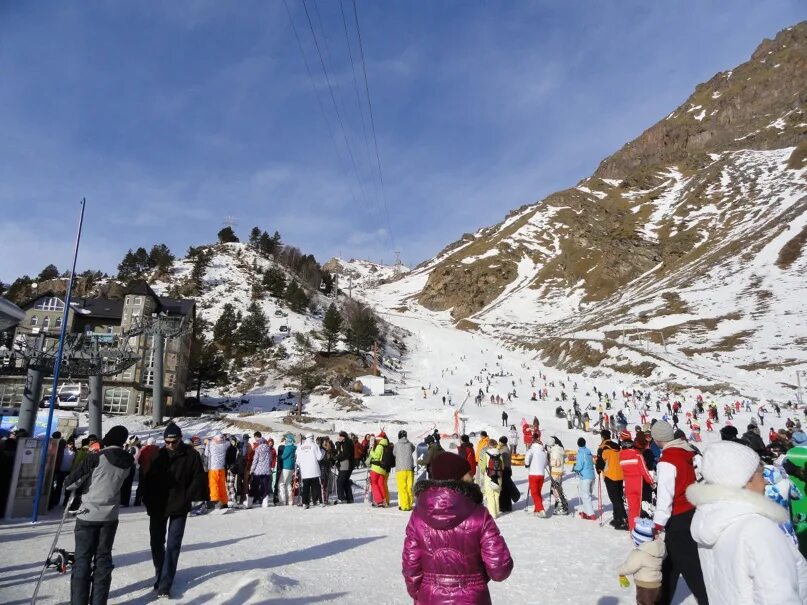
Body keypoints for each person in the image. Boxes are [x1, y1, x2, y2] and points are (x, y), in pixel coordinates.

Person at [688, 441, 807, 604]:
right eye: (761, 473)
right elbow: (778, 597)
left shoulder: (709, 521)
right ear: (744, 480)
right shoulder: (758, 529)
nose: (765, 481)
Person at [402, 452, 513, 603]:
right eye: (468, 473)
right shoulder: (480, 515)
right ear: (457, 477)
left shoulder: (418, 517)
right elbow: (500, 568)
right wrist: (478, 578)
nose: (473, 477)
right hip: (472, 598)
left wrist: (420, 594)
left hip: (430, 597)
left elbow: (411, 565)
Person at [65, 426, 134, 605]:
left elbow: (71, 483)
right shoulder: (128, 461)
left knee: (82, 560)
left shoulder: (96, 457)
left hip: (88, 513)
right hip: (110, 516)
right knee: (103, 560)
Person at [142, 422, 207, 599]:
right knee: (156, 542)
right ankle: (160, 573)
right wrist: (147, 500)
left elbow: (198, 477)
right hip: (158, 505)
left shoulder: (191, 455)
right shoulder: (157, 455)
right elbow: (147, 480)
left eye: (174, 441)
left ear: (180, 439)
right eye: (167, 441)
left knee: (173, 544)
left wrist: (189, 496)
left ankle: (165, 583)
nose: (170, 445)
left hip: (179, 504)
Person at [650, 421, 708, 605]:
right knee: (670, 566)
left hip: (677, 518)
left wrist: (658, 523)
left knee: (691, 568)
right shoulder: (685, 451)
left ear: (657, 439)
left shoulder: (667, 460)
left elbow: (665, 496)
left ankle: (708, 599)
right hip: (690, 511)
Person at [617, 518, 666, 605]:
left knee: (643, 603)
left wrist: (620, 570)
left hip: (645, 587)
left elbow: (629, 567)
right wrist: (656, 536)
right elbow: (663, 550)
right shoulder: (659, 548)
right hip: (658, 586)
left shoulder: (639, 554)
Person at [619, 432, 654, 531]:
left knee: (631, 508)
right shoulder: (637, 455)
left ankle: (631, 528)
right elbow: (644, 470)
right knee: (637, 508)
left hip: (628, 484)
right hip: (638, 483)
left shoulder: (621, 456)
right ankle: (636, 530)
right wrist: (651, 481)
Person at [596, 430, 627, 530]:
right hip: (620, 475)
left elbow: (600, 462)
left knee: (614, 498)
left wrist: (598, 469)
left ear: (602, 437)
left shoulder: (602, 447)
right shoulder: (617, 446)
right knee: (618, 497)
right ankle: (617, 517)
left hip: (610, 475)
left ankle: (623, 519)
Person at [297, 433, 324, 509]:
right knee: (317, 488)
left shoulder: (300, 447)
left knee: (305, 488)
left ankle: (305, 503)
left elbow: (297, 461)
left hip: (305, 472)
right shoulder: (315, 445)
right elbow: (319, 457)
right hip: (314, 471)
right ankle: (320, 502)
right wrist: (323, 453)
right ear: (312, 437)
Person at [525, 432, 547, 517]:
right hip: (541, 474)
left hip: (533, 473)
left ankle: (541, 509)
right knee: (538, 492)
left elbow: (527, 457)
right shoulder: (543, 451)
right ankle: (537, 509)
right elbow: (546, 463)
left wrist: (527, 464)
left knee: (534, 493)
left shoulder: (532, 449)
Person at [573, 437, 596, 520]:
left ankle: (591, 514)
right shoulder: (588, 452)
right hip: (592, 476)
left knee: (585, 496)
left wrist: (575, 468)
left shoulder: (581, 453)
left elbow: (580, 465)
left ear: (578, 444)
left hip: (585, 477)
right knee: (588, 495)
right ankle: (587, 511)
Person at [205, 434, 229, 510]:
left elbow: (206, 454)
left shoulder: (211, 445)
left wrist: (208, 442)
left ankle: (216, 502)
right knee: (222, 485)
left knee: (214, 485)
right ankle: (224, 502)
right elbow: (228, 441)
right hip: (222, 468)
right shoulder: (225, 444)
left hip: (213, 468)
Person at [248, 437, 273, 507]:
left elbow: (255, 460)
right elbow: (270, 459)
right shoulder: (268, 449)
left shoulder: (258, 449)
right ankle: (265, 502)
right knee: (265, 487)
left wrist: (252, 469)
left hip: (258, 471)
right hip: (266, 471)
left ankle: (249, 502)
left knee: (254, 486)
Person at [394, 430, 416, 511]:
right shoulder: (410, 444)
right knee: (409, 487)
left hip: (400, 469)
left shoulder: (396, 445)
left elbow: (394, 453)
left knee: (402, 488)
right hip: (410, 468)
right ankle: (410, 504)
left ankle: (405, 506)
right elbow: (413, 449)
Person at [134, 437, 159, 506]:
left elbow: (138, 459)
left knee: (141, 486)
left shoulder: (143, 450)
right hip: (155, 472)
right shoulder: (158, 450)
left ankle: (137, 501)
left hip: (143, 471)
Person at [334, 431, 355, 503]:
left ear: (343, 437)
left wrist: (337, 457)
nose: (338, 438)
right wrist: (339, 444)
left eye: (340, 436)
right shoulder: (345, 443)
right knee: (345, 481)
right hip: (346, 464)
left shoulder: (347, 443)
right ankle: (349, 498)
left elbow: (346, 454)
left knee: (340, 481)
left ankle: (341, 498)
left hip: (346, 464)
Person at [278, 434, 297, 505]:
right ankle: (290, 500)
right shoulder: (294, 448)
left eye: (286, 440)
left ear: (288, 440)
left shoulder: (288, 447)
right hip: (291, 467)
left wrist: (280, 456)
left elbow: (283, 456)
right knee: (288, 483)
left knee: (281, 483)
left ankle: (282, 500)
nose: (285, 441)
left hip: (286, 467)